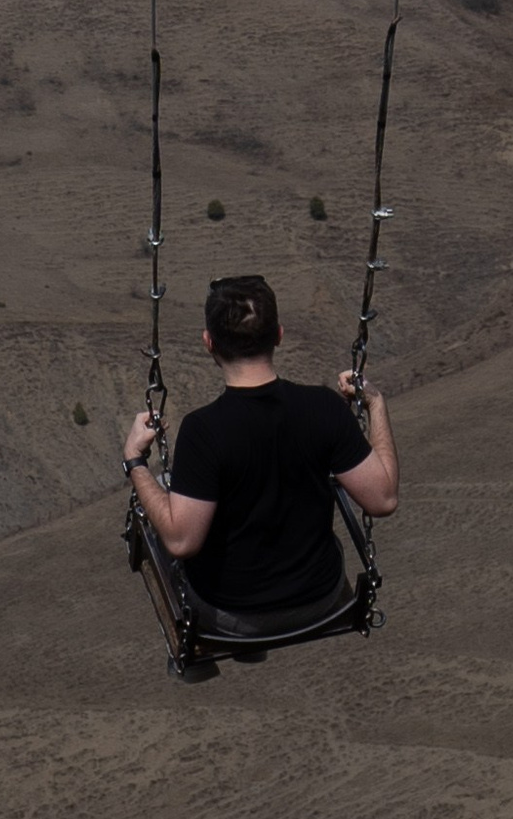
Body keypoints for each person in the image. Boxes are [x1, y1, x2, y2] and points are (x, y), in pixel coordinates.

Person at [122, 270, 398, 674]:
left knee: (158, 499)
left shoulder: (203, 430)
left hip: (231, 616)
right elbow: (384, 498)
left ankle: (195, 657)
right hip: (319, 598)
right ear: (279, 335)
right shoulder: (323, 407)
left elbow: (182, 541)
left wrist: (134, 462)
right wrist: (375, 403)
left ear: (208, 343)